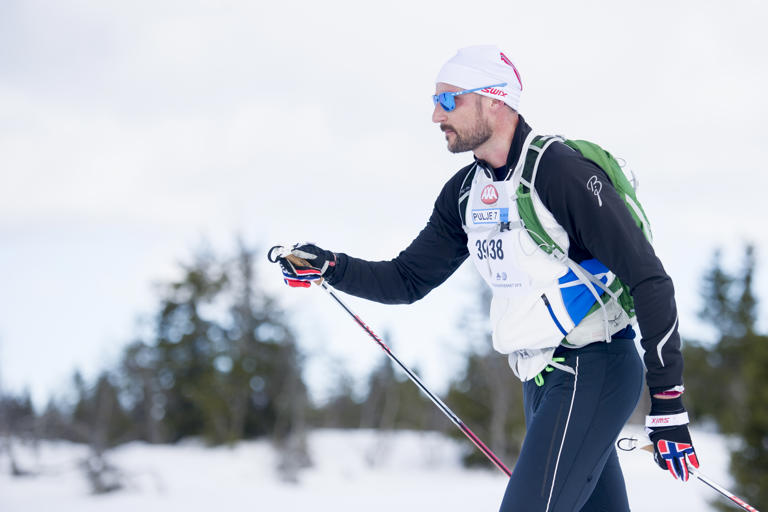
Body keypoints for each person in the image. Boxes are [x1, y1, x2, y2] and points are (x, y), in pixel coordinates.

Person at [274, 45, 699, 511]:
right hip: (539, 379)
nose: (437, 114)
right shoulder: (466, 192)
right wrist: (330, 266)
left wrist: (668, 403)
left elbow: (650, 279)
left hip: (592, 368)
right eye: (435, 102)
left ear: (495, 100)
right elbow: (408, 278)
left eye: (449, 100)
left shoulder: (558, 172)